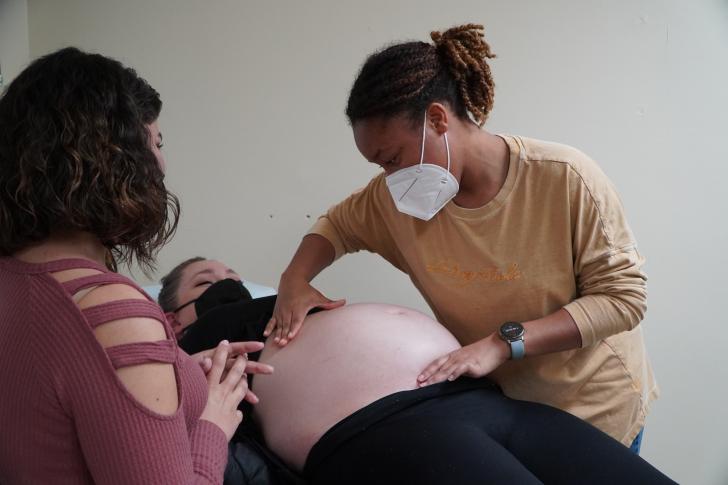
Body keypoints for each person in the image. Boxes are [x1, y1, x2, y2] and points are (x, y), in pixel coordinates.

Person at [264, 23, 658, 452]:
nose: (391, 179)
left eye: (393, 158)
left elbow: (622, 300)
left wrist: (504, 344)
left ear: (437, 119)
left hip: (595, 411)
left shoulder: (564, 178)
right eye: (380, 167)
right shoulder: (392, 203)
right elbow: (334, 227)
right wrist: (294, 282)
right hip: (504, 414)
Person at [0, 48, 271, 484]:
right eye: (154, 144)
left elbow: (62, 395)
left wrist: (174, 375)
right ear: (109, 156)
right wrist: (214, 424)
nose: (161, 166)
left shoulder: (12, 282)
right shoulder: (110, 308)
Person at [160, 257, 676, 485]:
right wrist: (206, 316)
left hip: (481, 399)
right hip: (382, 430)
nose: (229, 284)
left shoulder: (287, 303)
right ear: (172, 314)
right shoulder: (184, 344)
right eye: (205, 283)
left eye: (233, 277)